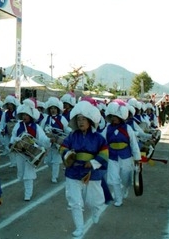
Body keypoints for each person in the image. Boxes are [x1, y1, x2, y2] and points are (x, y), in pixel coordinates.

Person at [60, 101, 109, 237]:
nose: (81, 122)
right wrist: (67, 156)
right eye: (78, 119)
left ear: (90, 121)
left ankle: (95, 211)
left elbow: (104, 154)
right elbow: (63, 148)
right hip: (73, 172)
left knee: (94, 202)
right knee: (75, 202)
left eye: (83, 119)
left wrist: (93, 163)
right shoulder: (71, 136)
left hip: (91, 173)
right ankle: (79, 228)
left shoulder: (99, 138)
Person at [9, 99, 50, 201]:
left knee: (28, 174)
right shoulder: (18, 125)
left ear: (31, 116)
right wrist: (13, 141)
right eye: (23, 114)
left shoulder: (36, 127)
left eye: (26, 115)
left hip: (31, 153)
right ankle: (27, 191)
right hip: (19, 153)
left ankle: (28, 194)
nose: (24, 117)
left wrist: (49, 141)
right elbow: (13, 135)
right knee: (21, 173)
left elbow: (42, 138)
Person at [103, 101, 140, 207]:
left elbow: (133, 144)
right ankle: (118, 199)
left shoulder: (127, 128)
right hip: (112, 156)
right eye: (112, 116)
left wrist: (137, 158)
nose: (113, 118)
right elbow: (101, 139)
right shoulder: (108, 128)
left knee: (126, 178)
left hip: (126, 156)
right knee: (114, 179)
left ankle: (126, 188)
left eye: (116, 116)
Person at [41, 97, 69, 183]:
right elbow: (41, 129)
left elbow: (67, 130)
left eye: (55, 108)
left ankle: (54, 177)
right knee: (48, 161)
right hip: (49, 143)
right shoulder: (46, 119)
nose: (53, 110)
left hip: (58, 143)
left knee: (56, 162)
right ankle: (54, 172)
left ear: (57, 109)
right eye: (51, 108)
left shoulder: (62, 118)